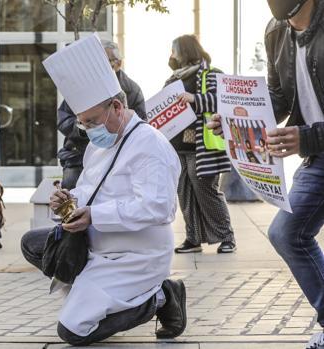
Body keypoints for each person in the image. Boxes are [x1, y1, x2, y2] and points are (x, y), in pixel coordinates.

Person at [22, 35, 186, 346]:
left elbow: (159, 208)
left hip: (135, 256)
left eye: (93, 121)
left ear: (117, 106)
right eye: (83, 124)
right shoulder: (98, 146)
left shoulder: (150, 145)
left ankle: (162, 296)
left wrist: (94, 215)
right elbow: (87, 190)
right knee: (33, 243)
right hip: (98, 246)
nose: (88, 130)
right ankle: (89, 287)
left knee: (73, 331)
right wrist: (68, 201)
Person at [208, 1, 324, 347]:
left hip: (313, 143)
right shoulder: (277, 31)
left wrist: (307, 137)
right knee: (286, 233)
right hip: (318, 158)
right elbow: (278, 97)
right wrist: (234, 119)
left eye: (295, 15)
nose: (290, 23)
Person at [165, 35, 236, 254]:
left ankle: (227, 237)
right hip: (178, 146)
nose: (172, 54)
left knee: (206, 191)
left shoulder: (213, 74)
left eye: (174, 50)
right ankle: (193, 238)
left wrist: (194, 98)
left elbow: (223, 100)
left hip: (202, 146)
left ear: (184, 50)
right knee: (184, 193)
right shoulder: (173, 78)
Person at [57, 39, 147, 190]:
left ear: (118, 63)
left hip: (118, 156)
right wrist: (84, 128)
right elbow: (63, 119)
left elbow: (140, 122)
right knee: (72, 196)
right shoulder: (81, 87)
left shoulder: (132, 89)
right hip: (78, 155)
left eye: (105, 62)